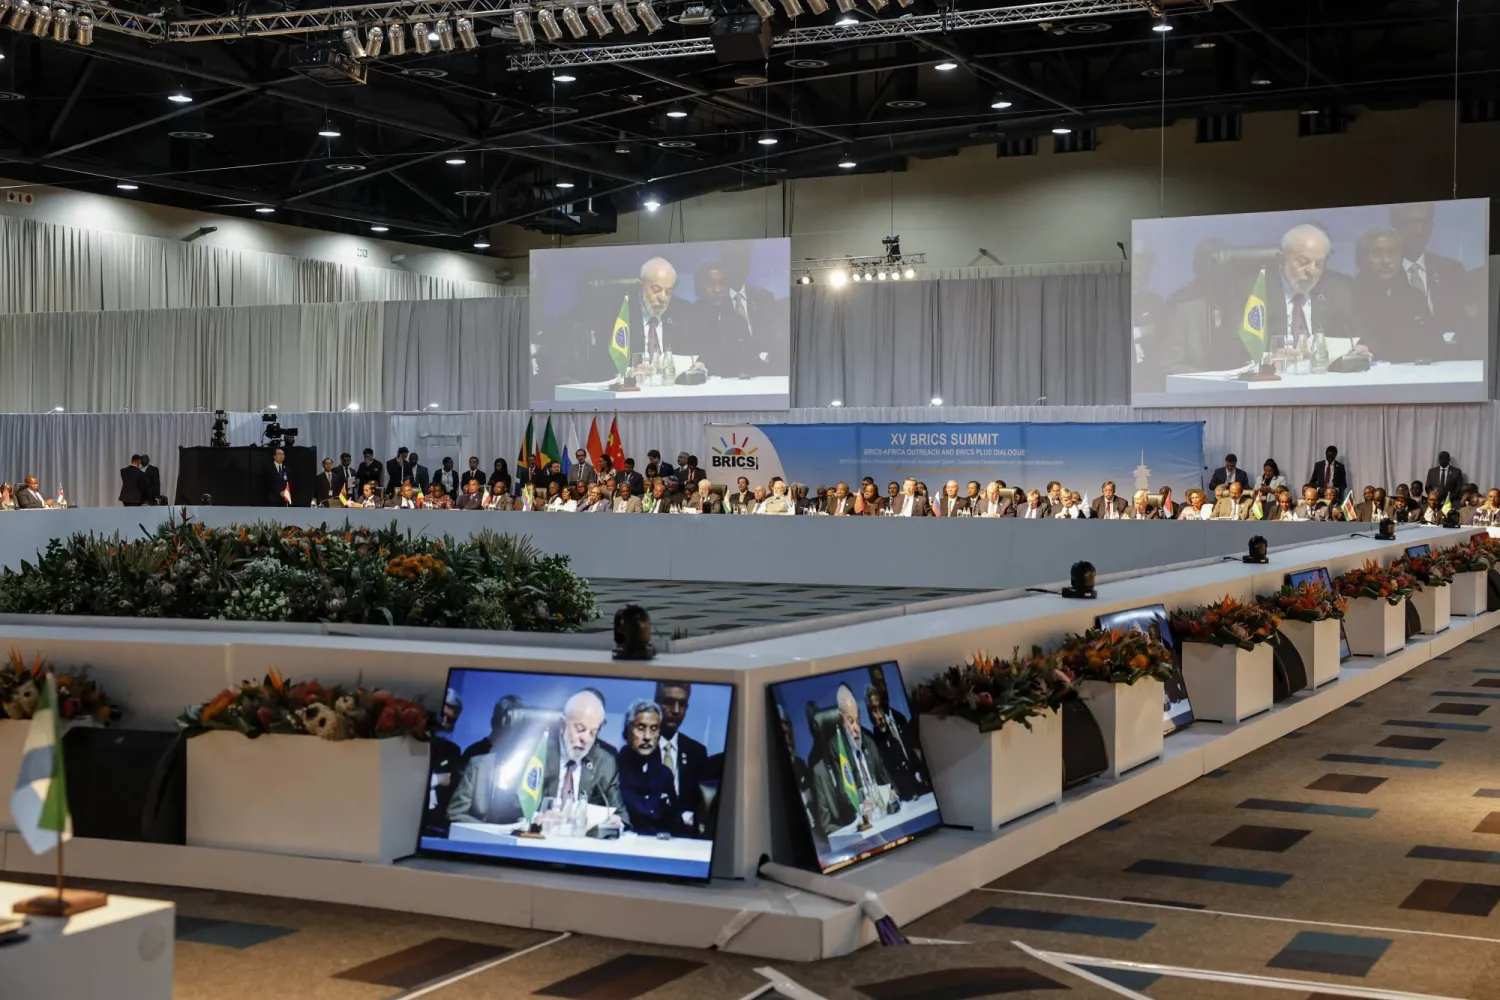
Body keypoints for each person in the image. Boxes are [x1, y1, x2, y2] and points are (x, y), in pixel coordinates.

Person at [448, 689, 623, 827]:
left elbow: (621, 815)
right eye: (580, 729)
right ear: (562, 724)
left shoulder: (605, 763)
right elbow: (506, 805)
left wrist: (615, 821)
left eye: (593, 732)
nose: (586, 739)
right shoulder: (535, 753)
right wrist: (537, 818)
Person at [1391, 201, 1475, 352]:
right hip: (1400, 361)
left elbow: (1466, 322)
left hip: (1451, 361)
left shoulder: (1452, 270)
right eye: (1412, 223)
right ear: (1396, 226)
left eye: (1425, 223)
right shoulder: (1383, 274)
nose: (1419, 230)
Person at [811, 684, 894, 836]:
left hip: (885, 822)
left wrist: (892, 793)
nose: (857, 728)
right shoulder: (836, 749)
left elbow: (885, 777)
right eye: (850, 721)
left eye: (858, 720)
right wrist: (862, 807)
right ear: (841, 721)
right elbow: (845, 795)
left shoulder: (869, 743)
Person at [1349, 225, 1439, 363]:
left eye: (1392, 252)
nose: (1386, 260)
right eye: (1377, 253)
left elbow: (1436, 348)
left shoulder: (1415, 297)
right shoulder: (1348, 297)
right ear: (1361, 259)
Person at [1264, 222, 1352, 355]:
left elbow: (1360, 337)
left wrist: (1354, 350)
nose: (1312, 271)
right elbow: (1234, 347)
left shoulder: (1338, 292)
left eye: (1319, 264)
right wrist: (1267, 358)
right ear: (1282, 259)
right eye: (1303, 262)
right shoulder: (1252, 291)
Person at [616, 699, 689, 837]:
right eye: (641, 728)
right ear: (627, 732)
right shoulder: (613, 769)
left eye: (654, 729)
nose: (647, 737)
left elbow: (676, 823)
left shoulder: (664, 774)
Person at [655, 681, 710, 837]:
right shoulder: (643, 749)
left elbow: (702, 806)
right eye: (669, 703)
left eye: (682, 704)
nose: (676, 710)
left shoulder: (697, 752)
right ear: (657, 703)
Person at [864, 684, 924, 802]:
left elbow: (915, 746)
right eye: (873, 709)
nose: (878, 714)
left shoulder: (900, 718)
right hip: (903, 789)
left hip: (920, 777)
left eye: (879, 707)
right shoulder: (877, 736)